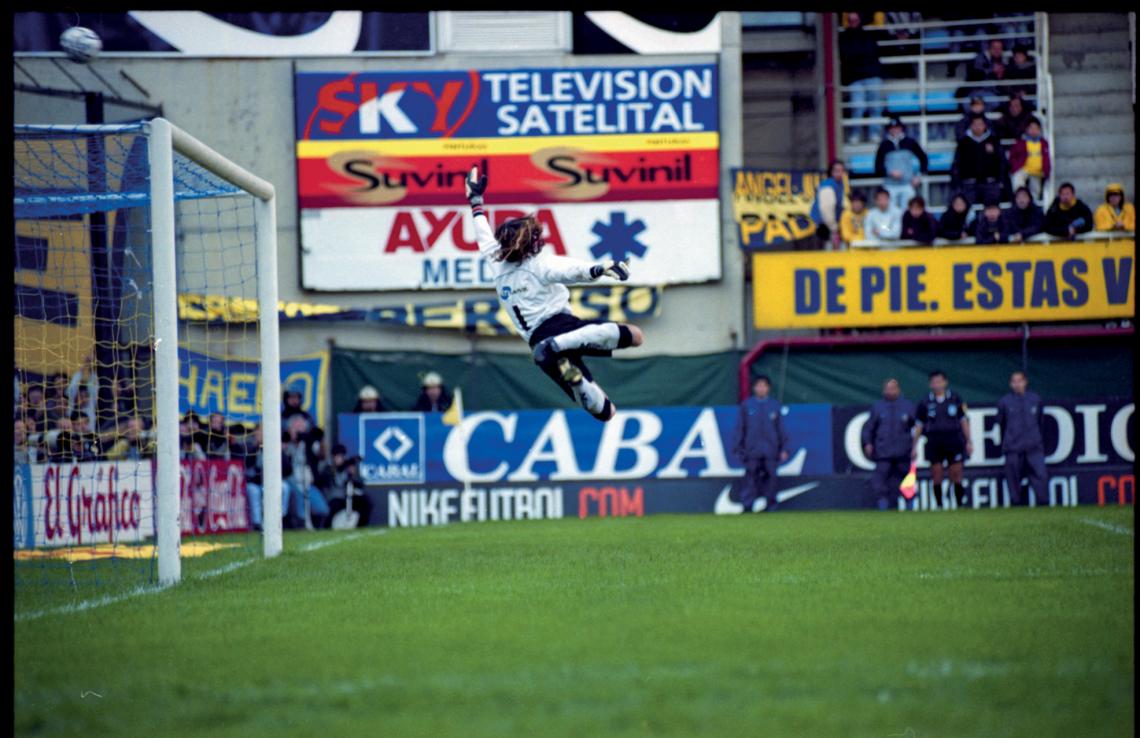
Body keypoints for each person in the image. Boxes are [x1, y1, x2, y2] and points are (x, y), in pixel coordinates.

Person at [463, 164, 643, 422]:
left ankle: (579, 383)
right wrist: (601, 267)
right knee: (636, 336)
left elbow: (483, 236)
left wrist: (475, 202)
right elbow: (572, 270)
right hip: (561, 328)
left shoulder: (496, 262)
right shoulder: (539, 264)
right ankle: (563, 344)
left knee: (606, 413)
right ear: (530, 243)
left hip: (539, 345)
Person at [912, 370, 972, 509]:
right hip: (934, 441)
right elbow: (919, 425)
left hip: (953, 439)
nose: (937, 384)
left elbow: (964, 421)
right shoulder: (925, 402)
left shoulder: (955, 398)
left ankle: (959, 503)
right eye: (934, 382)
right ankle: (939, 505)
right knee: (937, 473)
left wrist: (969, 441)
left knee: (956, 473)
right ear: (930, 384)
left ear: (945, 382)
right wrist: (914, 446)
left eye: (939, 381)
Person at [731, 375, 789, 513]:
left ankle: (771, 505)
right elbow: (740, 428)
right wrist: (738, 447)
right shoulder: (747, 406)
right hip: (752, 450)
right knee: (750, 477)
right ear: (754, 388)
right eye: (758, 385)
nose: (761, 388)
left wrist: (784, 448)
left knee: (771, 478)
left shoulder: (774, 406)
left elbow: (781, 429)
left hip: (771, 450)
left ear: (768, 388)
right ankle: (747, 505)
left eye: (764, 386)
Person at [995, 370, 1049, 506]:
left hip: (1034, 447)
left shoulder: (1035, 399)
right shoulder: (1004, 402)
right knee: (1013, 479)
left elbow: (1041, 422)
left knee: (1040, 476)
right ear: (1010, 384)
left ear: (1025, 382)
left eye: (1020, 381)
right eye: (1014, 381)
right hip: (1013, 448)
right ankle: (1016, 504)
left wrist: (1036, 439)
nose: (1017, 384)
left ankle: (1043, 503)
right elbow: (1000, 425)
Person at [862, 378, 917, 510]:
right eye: (887, 388)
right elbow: (869, 428)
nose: (890, 391)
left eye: (893, 388)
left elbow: (918, 428)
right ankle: (883, 506)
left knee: (906, 481)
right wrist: (868, 443)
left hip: (903, 451)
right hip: (883, 452)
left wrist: (914, 447)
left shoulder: (908, 406)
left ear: (898, 390)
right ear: (883, 390)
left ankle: (910, 506)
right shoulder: (878, 407)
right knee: (879, 481)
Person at [839, 12, 886, 143]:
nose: (853, 21)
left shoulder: (869, 34)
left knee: (875, 107)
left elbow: (871, 52)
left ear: (860, 19)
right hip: (855, 78)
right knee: (857, 107)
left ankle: (875, 134)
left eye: (856, 19)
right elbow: (846, 56)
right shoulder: (843, 37)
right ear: (847, 20)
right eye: (851, 19)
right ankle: (855, 134)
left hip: (872, 74)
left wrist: (857, 57)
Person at [952, 112, 1008, 206]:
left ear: (985, 125)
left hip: (990, 183)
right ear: (970, 126)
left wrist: (1000, 181)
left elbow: (1002, 162)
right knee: (969, 210)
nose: (978, 127)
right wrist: (958, 184)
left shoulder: (993, 140)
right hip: (969, 184)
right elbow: (957, 164)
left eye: (980, 124)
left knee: (992, 207)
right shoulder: (964, 142)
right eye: (975, 124)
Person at [874, 116, 928, 211]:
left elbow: (923, 158)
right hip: (890, 185)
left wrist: (918, 176)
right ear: (888, 129)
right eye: (892, 128)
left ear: (902, 128)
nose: (895, 130)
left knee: (908, 210)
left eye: (897, 127)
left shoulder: (910, 142)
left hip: (907, 184)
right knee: (890, 211)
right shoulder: (884, 145)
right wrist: (890, 173)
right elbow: (877, 167)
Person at [318, 444, 373, 528]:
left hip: (345, 497)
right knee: (332, 510)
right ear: (333, 457)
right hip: (332, 499)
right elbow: (333, 482)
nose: (341, 459)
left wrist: (352, 474)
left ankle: (360, 526)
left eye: (342, 456)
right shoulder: (327, 468)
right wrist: (339, 470)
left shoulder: (346, 467)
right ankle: (326, 527)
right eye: (338, 456)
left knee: (365, 502)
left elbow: (360, 484)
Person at [1008, 117, 1051, 200]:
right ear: (1026, 130)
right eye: (1031, 128)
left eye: (1036, 128)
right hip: (1024, 169)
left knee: (1035, 191)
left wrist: (1046, 171)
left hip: (1037, 172)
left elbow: (1047, 159)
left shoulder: (1044, 143)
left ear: (1040, 130)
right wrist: (1014, 167)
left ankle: (1033, 203)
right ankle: (1018, 199)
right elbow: (1012, 157)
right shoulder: (1021, 143)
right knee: (1017, 179)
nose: (1033, 130)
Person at [810, 160, 847, 249]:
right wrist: (834, 229)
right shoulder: (828, 185)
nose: (840, 173)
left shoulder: (839, 184)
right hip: (824, 227)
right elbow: (826, 209)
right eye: (837, 171)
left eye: (842, 171)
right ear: (831, 172)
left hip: (830, 226)